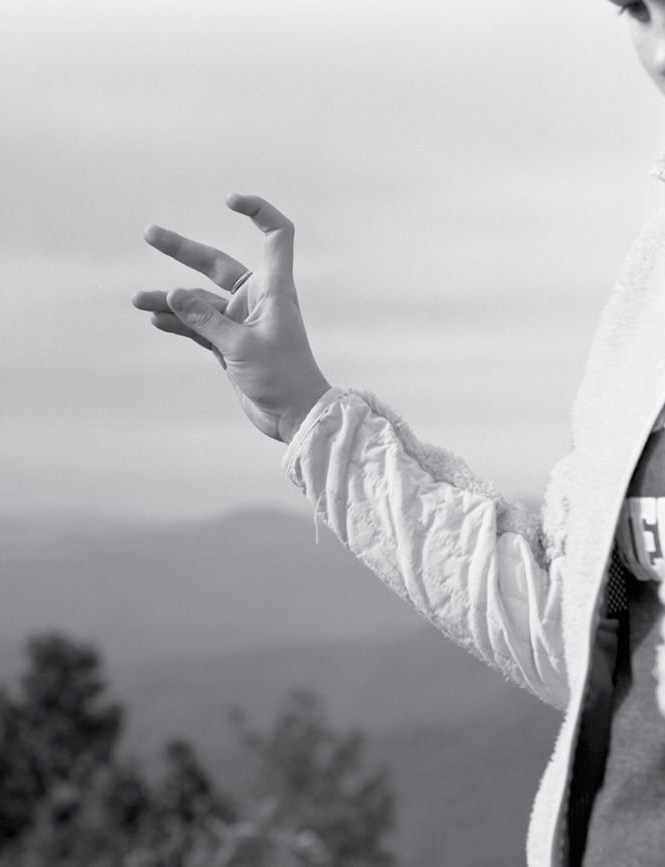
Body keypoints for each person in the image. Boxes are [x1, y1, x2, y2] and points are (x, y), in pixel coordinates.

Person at [132, 3, 665, 866]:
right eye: (637, 8)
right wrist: (308, 414)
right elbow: (569, 629)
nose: (662, 49)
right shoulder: (650, 297)